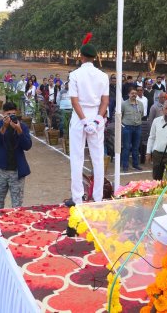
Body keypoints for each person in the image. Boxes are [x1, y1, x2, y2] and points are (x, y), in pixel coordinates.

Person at [66, 33, 109, 206]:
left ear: (81, 57)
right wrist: (97, 120)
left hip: (79, 117)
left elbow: (74, 101)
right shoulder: (103, 76)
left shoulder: (75, 74)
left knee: (77, 158)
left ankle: (78, 198)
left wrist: (84, 121)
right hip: (96, 115)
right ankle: (97, 198)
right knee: (97, 158)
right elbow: (105, 100)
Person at [0, 101, 32, 209]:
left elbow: (27, 146)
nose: (10, 116)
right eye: (8, 114)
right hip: (1, 170)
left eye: (12, 114)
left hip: (17, 171)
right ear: (3, 113)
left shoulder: (22, 126)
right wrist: (4, 127)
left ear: (16, 113)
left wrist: (18, 130)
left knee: (17, 205)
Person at [120, 87, 144, 172]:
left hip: (138, 128)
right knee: (126, 147)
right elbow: (120, 115)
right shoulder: (124, 104)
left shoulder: (140, 104)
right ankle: (125, 166)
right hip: (127, 128)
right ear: (129, 94)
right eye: (132, 93)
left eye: (135, 93)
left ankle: (135, 164)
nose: (134, 94)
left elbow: (142, 115)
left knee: (136, 147)